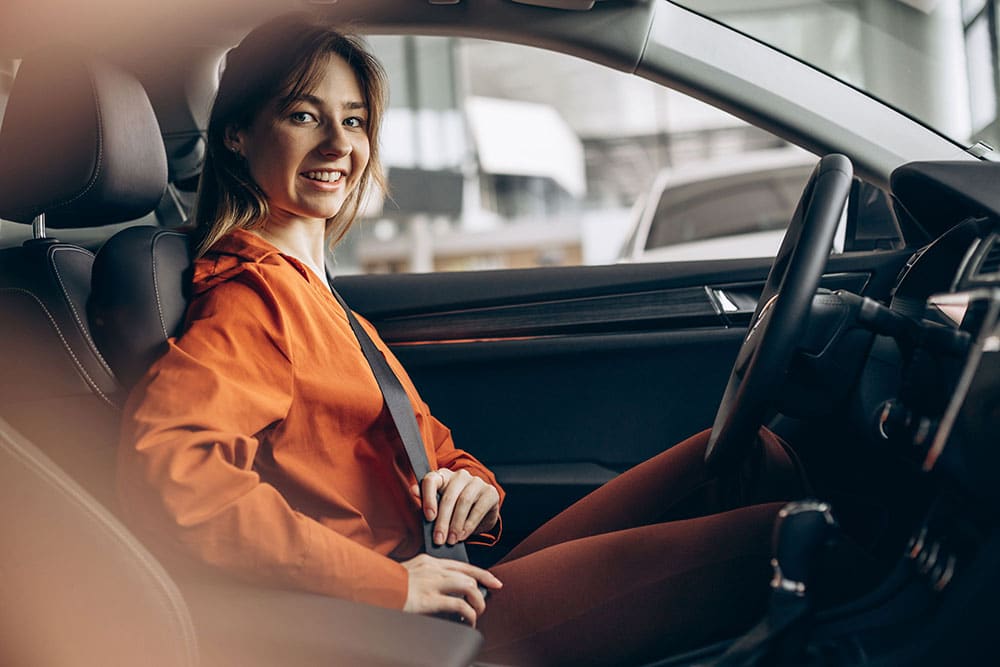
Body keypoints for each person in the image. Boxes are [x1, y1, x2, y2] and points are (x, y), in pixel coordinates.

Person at [118, 12, 806, 666]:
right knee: (792, 541)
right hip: (410, 625)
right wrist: (389, 586)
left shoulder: (314, 288)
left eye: (353, 121)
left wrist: (472, 487)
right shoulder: (254, 300)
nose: (338, 144)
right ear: (237, 133)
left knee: (746, 456)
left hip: (447, 568)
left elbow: (429, 444)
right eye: (304, 115)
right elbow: (177, 471)